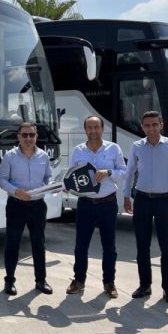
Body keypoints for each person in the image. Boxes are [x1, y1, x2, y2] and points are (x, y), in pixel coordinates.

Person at [123, 111, 168, 305]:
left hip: (163, 201)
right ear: (142, 127)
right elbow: (130, 171)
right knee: (142, 246)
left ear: (161, 125)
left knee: (167, 247)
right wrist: (126, 195)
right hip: (142, 200)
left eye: (154, 124)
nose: (151, 128)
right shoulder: (136, 146)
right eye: (147, 125)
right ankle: (144, 285)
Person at [66, 116, 127, 298]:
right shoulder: (78, 150)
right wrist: (67, 185)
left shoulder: (113, 148)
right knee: (81, 246)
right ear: (85, 129)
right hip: (85, 204)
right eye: (90, 127)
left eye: (96, 127)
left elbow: (123, 171)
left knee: (109, 247)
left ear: (102, 128)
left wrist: (108, 172)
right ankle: (79, 280)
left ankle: (109, 283)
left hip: (107, 203)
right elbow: (71, 174)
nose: (93, 131)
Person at [0, 122, 54, 296]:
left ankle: (40, 280)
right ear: (18, 137)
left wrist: (51, 185)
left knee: (39, 244)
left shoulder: (43, 156)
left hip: (37, 206)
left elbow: (48, 176)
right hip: (16, 205)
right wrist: (16, 191)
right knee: (12, 244)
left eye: (32, 135)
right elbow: (2, 180)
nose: (28, 138)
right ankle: (9, 281)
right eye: (25, 135)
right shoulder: (10, 156)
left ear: (36, 136)